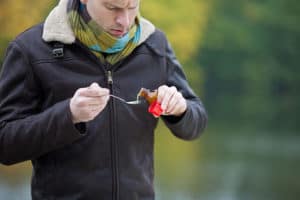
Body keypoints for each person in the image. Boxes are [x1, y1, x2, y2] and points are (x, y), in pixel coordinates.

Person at [0, 0, 207, 199]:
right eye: (112, 7)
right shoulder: (30, 48)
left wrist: (182, 110)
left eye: (132, 7)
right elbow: (5, 144)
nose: (124, 21)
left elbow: (196, 124)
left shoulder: (155, 45)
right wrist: (68, 115)